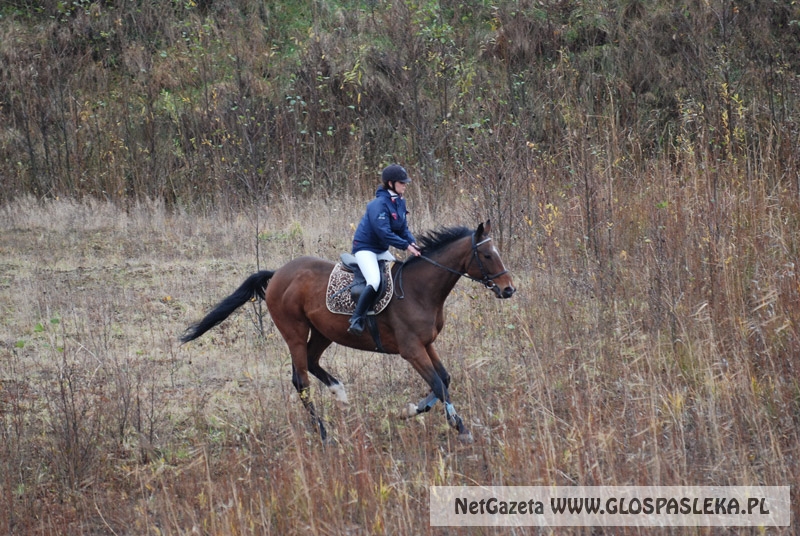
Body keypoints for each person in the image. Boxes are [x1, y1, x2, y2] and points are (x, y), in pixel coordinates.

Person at [348, 164, 421, 335]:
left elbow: (403, 229)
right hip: (365, 248)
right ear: (390, 183)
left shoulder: (400, 202)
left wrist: (413, 243)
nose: (405, 185)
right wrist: (406, 246)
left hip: (380, 249)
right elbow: (384, 232)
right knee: (374, 281)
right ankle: (357, 319)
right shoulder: (378, 204)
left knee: (397, 275)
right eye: (402, 183)